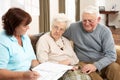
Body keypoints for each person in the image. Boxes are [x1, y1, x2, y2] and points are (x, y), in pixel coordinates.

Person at [63, 5, 120, 80]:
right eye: (84, 20)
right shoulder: (74, 28)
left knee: (115, 67)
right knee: (87, 69)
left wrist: (96, 65)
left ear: (98, 19)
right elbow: (56, 34)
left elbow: (112, 55)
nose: (87, 24)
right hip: (83, 62)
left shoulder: (105, 31)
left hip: (101, 62)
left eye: (90, 21)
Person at [36, 13, 91, 80]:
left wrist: (70, 63)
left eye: (61, 29)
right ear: (51, 26)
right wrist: (59, 64)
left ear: (64, 31)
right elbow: (43, 62)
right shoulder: (44, 39)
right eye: (56, 27)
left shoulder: (66, 41)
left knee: (86, 77)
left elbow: (75, 59)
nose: (57, 31)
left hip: (70, 68)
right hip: (56, 71)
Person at [0, 7, 40, 80]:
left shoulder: (24, 37)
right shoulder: (2, 41)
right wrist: (23, 75)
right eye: (25, 25)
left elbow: (33, 60)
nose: (28, 28)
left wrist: (42, 69)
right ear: (14, 26)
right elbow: (0, 73)